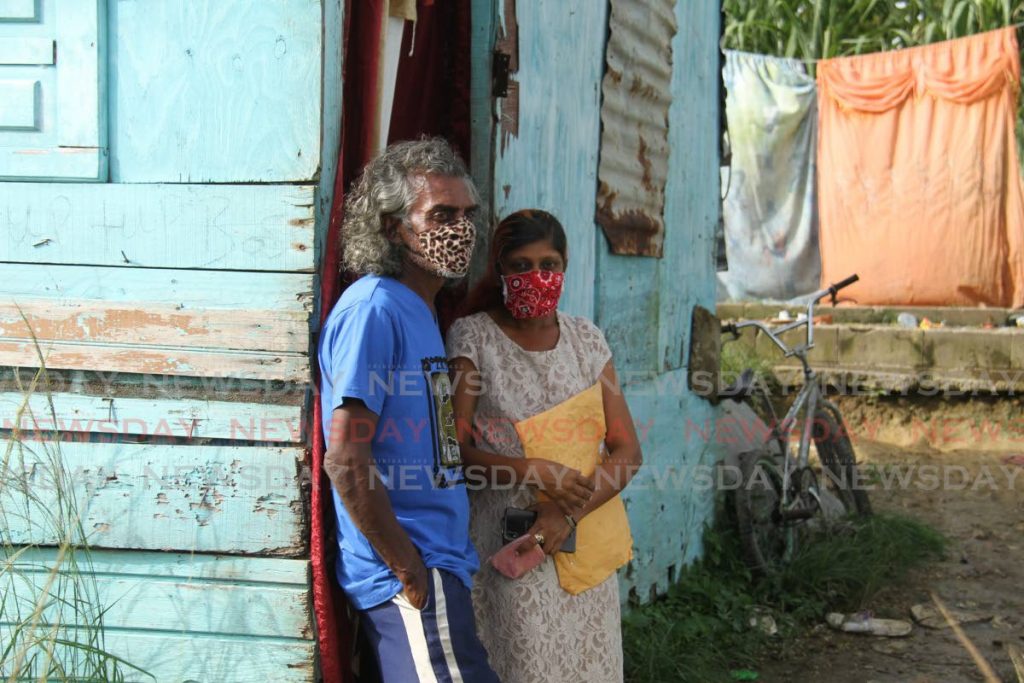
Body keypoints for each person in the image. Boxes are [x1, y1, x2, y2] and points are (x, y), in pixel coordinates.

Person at [318, 138, 500, 682]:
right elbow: (346, 458)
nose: (460, 228)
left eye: (467, 214)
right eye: (441, 214)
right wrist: (408, 571)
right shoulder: (375, 308)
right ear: (395, 226)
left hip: (440, 565)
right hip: (411, 573)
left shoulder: (421, 310)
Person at [446, 209, 643, 683]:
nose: (537, 276)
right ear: (499, 270)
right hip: (509, 549)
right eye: (520, 265)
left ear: (565, 265)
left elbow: (627, 452)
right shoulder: (473, 338)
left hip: (581, 545)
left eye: (549, 264)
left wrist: (565, 515)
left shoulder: (586, 341)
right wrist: (528, 468)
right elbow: (453, 448)